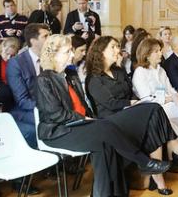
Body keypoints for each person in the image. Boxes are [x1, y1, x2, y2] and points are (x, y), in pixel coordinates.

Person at [35, 35, 170, 197]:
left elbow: (83, 106)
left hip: (84, 125)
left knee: (151, 108)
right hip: (58, 132)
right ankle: (143, 162)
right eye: (67, 51)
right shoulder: (44, 80)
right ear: (54, 55)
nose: (72, 54)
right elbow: (56, 114)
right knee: (105, 130)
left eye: (71, 50)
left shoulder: (70, 75)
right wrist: (85, 119)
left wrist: (88, 119)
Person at [85, 36, 178, 192]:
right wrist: (133, 103)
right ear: (100, 52)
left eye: (117, 47)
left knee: (153, 117)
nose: (117, 50)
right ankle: (177, 149)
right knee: (153, 110)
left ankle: (160, 182)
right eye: (113, 47)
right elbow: (111, 104)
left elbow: (130, 92)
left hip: (130, 112)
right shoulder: (94, 78)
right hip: (111, 120)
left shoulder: (118, 71)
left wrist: (135, 102)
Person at [7, 23, 50, 147]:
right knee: (50, 122)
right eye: (45, 36)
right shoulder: (16, 63)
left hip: (47, 106)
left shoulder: (50, 59)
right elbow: (22, 101)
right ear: (33, 41)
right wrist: (47, 107)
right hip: (25, 110)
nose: (50, 40)